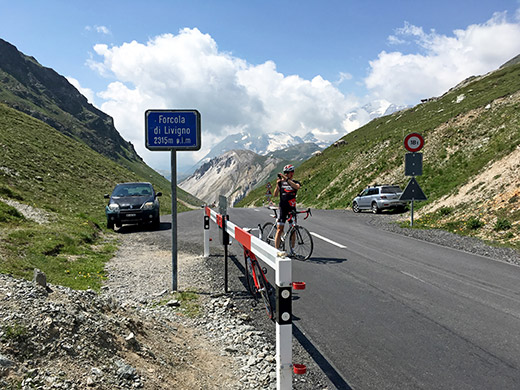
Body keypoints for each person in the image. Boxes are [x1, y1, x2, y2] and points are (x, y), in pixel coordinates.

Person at [273, 164, 301, 250]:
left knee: (293, 230)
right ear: (286, 173)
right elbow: (275, 195)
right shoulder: (281, 183)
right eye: (288, 172)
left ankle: (292, 250)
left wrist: (287, 180)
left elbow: (297, 187)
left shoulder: (295, 182)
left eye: (292, 172)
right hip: (282, 209)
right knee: (279, 229)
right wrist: (278, 185)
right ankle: (276, 250)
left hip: (292, 209)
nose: (291, 173)